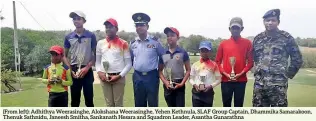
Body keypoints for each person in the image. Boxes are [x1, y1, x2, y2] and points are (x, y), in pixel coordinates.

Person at [252, 9, 303, 107]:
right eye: (267, 20)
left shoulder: (286, 38)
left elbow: (297, 58)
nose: (270, 23)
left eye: (273, 20)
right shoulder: (258, 39)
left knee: (279, 114)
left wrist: (287, 74)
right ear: (264, 22)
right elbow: (255, 58)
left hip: (278, 85)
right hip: (260, 85)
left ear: (278, 22)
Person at [215, 17, 253, 107]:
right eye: (233, 28)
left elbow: (250, 63)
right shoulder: (223, 44)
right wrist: (225, 74)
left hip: (241, 81)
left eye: (237, 28)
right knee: (226, 106)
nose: (235, 30)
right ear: (229, 29)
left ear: (242, 29)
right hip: (226, 80)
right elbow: (217, 62)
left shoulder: (247, 43)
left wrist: (240, 74)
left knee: (238, 106)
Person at [130, 12, 165, 107]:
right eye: (137, 25)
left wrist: (161, 70)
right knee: (139, 104)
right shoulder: (133, 43)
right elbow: (132, 59)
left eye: (142, 25)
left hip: (152, 76)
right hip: (137, 76)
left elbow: (164, 57)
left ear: (147, 27)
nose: (139, 27)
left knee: (153, 104)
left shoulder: (155, 42)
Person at [63, 11, 97, 107]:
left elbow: (96, 54)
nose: (76, 21)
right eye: (74, 19)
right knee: (74, 101)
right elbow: (64, 56)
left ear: (84, 21)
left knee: (89, 101)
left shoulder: (91, 35)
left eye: (79, 19)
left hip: (87, 70)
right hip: (74, 71)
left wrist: (87, 67)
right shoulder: (68, 37)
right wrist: (69, 69)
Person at [95, 18, 132, 107]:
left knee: (118, 105)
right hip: (104, 78)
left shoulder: (123, 43)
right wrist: (100, 72)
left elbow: (128, 64)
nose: (108, 29)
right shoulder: (100, 43)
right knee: (109, 105)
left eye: (111, 27)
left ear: (116, 29)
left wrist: (119, 76)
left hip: (118, 77)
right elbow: (98, 62)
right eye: (106, 27)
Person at [158, 27, 191, 107]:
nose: (169, 37)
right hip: (168, 85)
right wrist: (165, 82)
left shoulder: (183, 52)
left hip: (179, 84)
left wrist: (182, 83)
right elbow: (160, 71)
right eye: (168, 36)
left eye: (172, 35)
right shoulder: (163, 53)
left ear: (178, 38)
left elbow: (188, 70)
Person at [190, 41, 221, 107]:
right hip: (196, 93)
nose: (204, 53)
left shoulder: (214, 65)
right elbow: (191, 79)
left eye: (206, 50)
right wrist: (195, 85)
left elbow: (219, 79)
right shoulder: (195, 64)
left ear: (210, 52)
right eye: (202, 50)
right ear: (200, 52)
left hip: (208, 94)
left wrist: (211, 86)